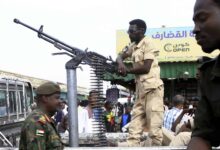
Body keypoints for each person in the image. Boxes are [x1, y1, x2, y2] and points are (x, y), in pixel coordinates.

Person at [116, 19, 164, 146]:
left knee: (154, 131)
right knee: (134, 131)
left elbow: (146, 67)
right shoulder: (133, 45)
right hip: (140, 91)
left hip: (152, 90)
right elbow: (120, 56)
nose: (129, 33)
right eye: (128, 31)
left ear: (141, 31)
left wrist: (128, 70)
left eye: (131, 31)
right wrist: (121, 64)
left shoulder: (148, 43)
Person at [187, 0, 220, 149]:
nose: (195, 30)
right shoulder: (209, 76)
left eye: (202, 19)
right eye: (195, 22)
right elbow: (202, 136)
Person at [19, 82, 63, 150]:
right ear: (45, 98)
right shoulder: (36, 122)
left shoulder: (46, 121)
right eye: (57, 98)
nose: (60, 101)